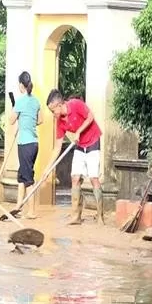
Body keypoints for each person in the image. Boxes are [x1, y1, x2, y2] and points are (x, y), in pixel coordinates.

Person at [45, 89, 105, 226]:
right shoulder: (60, 122)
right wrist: (47, 169)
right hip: (80, 145)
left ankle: (100, 216)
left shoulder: (76, 104)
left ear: (59, 105)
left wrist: (78, 131)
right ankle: (76, 216)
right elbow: (57, 148)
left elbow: (90, 117)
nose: (53, 115)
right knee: (75, 177)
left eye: (53, 111)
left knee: (94, 178)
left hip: (93, 141)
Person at [9, 71, 43, 219]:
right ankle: (18, 206)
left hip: (25, 144)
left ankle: (31, 211)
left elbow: (11, 120)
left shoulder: (21, 101)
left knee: (28, 178)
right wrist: (26, 123)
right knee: (22, 175)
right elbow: (40, 120)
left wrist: (16, 111)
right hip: (34, 144)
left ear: (21, 85)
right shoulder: (35, 101)